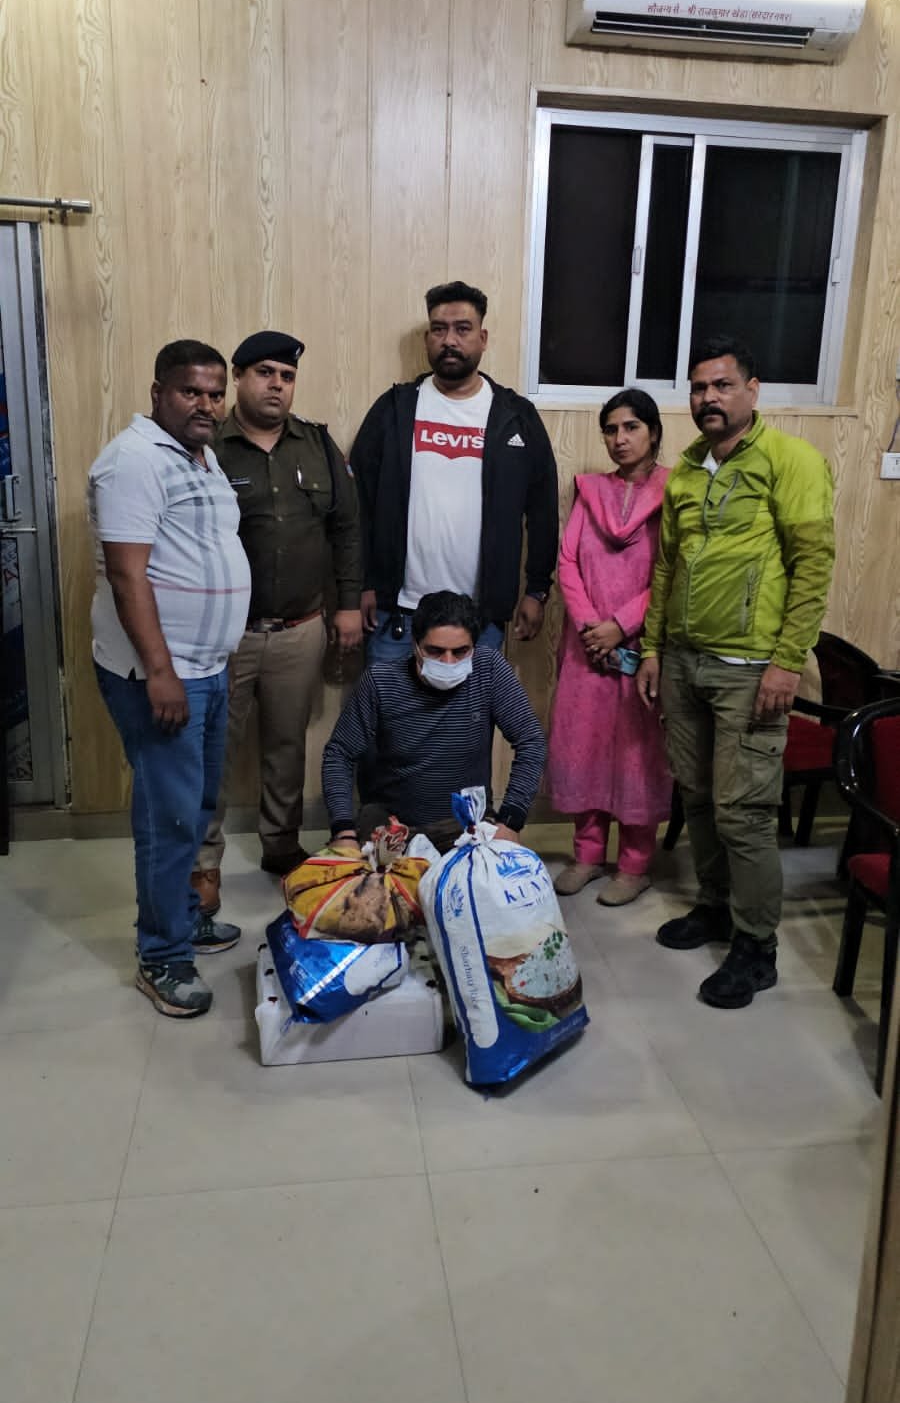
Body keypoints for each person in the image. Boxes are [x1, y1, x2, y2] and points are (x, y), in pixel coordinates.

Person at [637, 335, 835, 1009]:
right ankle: (716, 906)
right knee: (695, 795)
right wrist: (653, 649)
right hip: (685, 661)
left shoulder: (791, 461)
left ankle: (756, 947)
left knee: (743, 811)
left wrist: (787, 662)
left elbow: (812, 567)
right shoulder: (688, 471)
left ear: (753, 390)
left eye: (722, 386)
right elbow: (667, 567)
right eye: (698, 388)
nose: (708, 398)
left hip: (752, 670)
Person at [88, 340, 252, 1019]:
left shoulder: (201, 456)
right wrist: (161, 672)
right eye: (191, 392)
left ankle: (182, 916)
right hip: (159, 672)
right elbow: (128, 576)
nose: (206, 404)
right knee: (170, 817)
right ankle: (161, 956)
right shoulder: (133, 461)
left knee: (197, 805)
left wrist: (210, 657)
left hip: (204, 667)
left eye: (215, 393)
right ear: (158, 393)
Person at [190, 331, 362, 912]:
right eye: (264, 373)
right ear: (238, 377)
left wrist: (347, 604)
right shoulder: (208, 445)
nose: (276, 385)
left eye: (286, 377)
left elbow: (346, 529)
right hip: (225, 632)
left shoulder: (316, 445)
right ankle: (203, 863)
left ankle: (282, 846)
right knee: (213, 750)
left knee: (287, 746)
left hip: (300, 628)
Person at [349, 281, 559, 663]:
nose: (449, 340)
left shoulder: (516, 417)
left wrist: (537, 590)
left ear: (483, 338)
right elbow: (358, 503)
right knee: (388, 704)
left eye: (462, 329)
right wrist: (362, 585)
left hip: (480, 618)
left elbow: (543, 510)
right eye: (439, 329)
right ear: (427, 338)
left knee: (472, 706)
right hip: (397, 613)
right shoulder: (393, 409)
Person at [546, 389, 672, 906]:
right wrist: (589, 626)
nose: (619, 439)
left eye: (631, 427)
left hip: (644, 647)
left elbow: (672, 570)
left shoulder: (675, 491)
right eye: (611, 429)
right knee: (585, 746)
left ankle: (635, 865)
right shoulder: (591, 491)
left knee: (639, 753)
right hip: (587, 647)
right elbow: (568, 561)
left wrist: (621, 626)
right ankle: (587, 855)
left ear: (654, 433)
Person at [322, 590, 546, 853]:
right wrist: (343, 831)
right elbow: (339, 753)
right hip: (392, 823)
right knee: (365, 879)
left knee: (501, 878)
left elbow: (531, 741)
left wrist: (510, 821)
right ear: (415, 644)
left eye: (460, 651)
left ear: (474, 647)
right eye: (435, 651)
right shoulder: (381, 681)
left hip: (466, 823)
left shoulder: (489, 668)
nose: (448, 662)